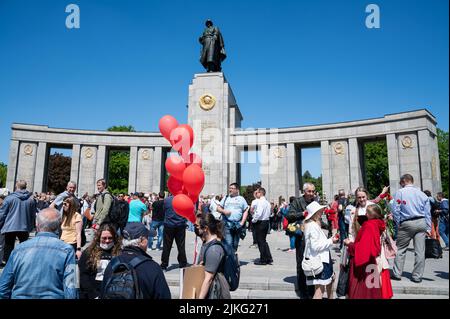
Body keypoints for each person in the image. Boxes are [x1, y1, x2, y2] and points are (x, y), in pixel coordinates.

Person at [0, 208, 78, 299]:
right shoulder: (68, 250)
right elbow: (72, 287)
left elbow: (3, 286)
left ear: (37, 225)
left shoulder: (18, 249)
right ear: (60, 225)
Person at [101, 222, 171, 299]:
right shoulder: (153, 268)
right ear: (142, 241)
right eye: (147, 238)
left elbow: (103, 293)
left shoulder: (112, 264)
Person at [344, 204, 393, 299]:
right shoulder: (378, 223)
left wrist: (349, 244)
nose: (365, 214)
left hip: (366, 263)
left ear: (372, 215)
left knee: (364, 292)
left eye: (368, 212)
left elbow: (363, 248)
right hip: (374, 259)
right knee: (373, 289)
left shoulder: (369, 225)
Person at [391, 174, 431, 283]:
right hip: (421, 221)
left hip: (406, 222)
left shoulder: (401, 192)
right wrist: (428, 227)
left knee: (401, 249)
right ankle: (417, 276)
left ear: (404, 181)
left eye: (400, 183)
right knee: (420, 251)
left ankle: (397, 273)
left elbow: (395, 209)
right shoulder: (422, 194)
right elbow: (428, 213)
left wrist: (398, 223)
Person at [286, 182, 317, 299]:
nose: (311, 194)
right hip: (301, 237)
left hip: (313, 237)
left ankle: (311, 288)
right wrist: (302, 214)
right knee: (301, 263)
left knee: (313, 263)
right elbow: (289, 215)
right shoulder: (297, 201)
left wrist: (327, 227)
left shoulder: (315, 202)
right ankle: (302, 290)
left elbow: (317, 217)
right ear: (304, 192)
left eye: (313, 191)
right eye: (309, 191)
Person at [303, 201, 339, 299]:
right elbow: (316, 246)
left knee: (330, 280)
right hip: (319, 261)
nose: (322, 211)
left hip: (321, 259)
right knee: (319, 290)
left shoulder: (312, 224)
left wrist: (330, 240)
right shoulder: (312, 226)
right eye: (320, 210)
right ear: (315, 213)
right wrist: (331, 241)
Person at [78, 223, 121, 299]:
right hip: (93, 293)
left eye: (110, 238)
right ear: (98, 238)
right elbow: (83, 275)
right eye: (104, 238)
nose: (107, 241)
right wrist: (93, 294)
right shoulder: (88, 253)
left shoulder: (120, 253)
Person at [195, 213, 231, 299]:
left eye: (197, 225)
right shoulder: (206, 243)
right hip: (207, 288)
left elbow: (208, 279)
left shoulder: (214, 249)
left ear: (205, 229)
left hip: (214, 291)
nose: (196, 227)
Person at [0, 180, 36, 263]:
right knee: (24, 247)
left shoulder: (9, 198)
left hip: (10, 226)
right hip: (24, 226)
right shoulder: (30, 200)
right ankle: (22, 262)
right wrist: (31, 226)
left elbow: (2, 214)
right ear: (25, 187)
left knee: (9, 246)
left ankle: (8, 263)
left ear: (16, 186)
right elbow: (32, 215)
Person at [217, 183, 249, 252]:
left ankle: (232, 257)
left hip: (237, 225)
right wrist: (224, 211)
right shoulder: (226, 198)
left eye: (232, 188)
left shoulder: (241, 199)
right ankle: (229, 259)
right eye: (229, 188)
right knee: (228, 243)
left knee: (235, 244)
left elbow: (246, 210)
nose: (230, 190)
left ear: (237, 190)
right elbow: (218, 208)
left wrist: (242, 222)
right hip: (227, 224)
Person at [160, 195, 188, 271]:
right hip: (180, 225)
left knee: (167, 246)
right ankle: (183, 263)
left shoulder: (166, 200)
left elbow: (164, 210)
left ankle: (164, 265)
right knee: (181, 245)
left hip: (169, 224)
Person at [251, 188, 273, 265]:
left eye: (257, 193)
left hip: (260, 222)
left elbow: (258, 213)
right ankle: (268, 258)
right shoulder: (267, 202)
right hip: (266, 222)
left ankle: (263, 259)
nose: (256, 194)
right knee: (263, 241)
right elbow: (270, 213)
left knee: (260, 241)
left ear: (260, 193)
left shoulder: (260, 202)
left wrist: (253, 220)